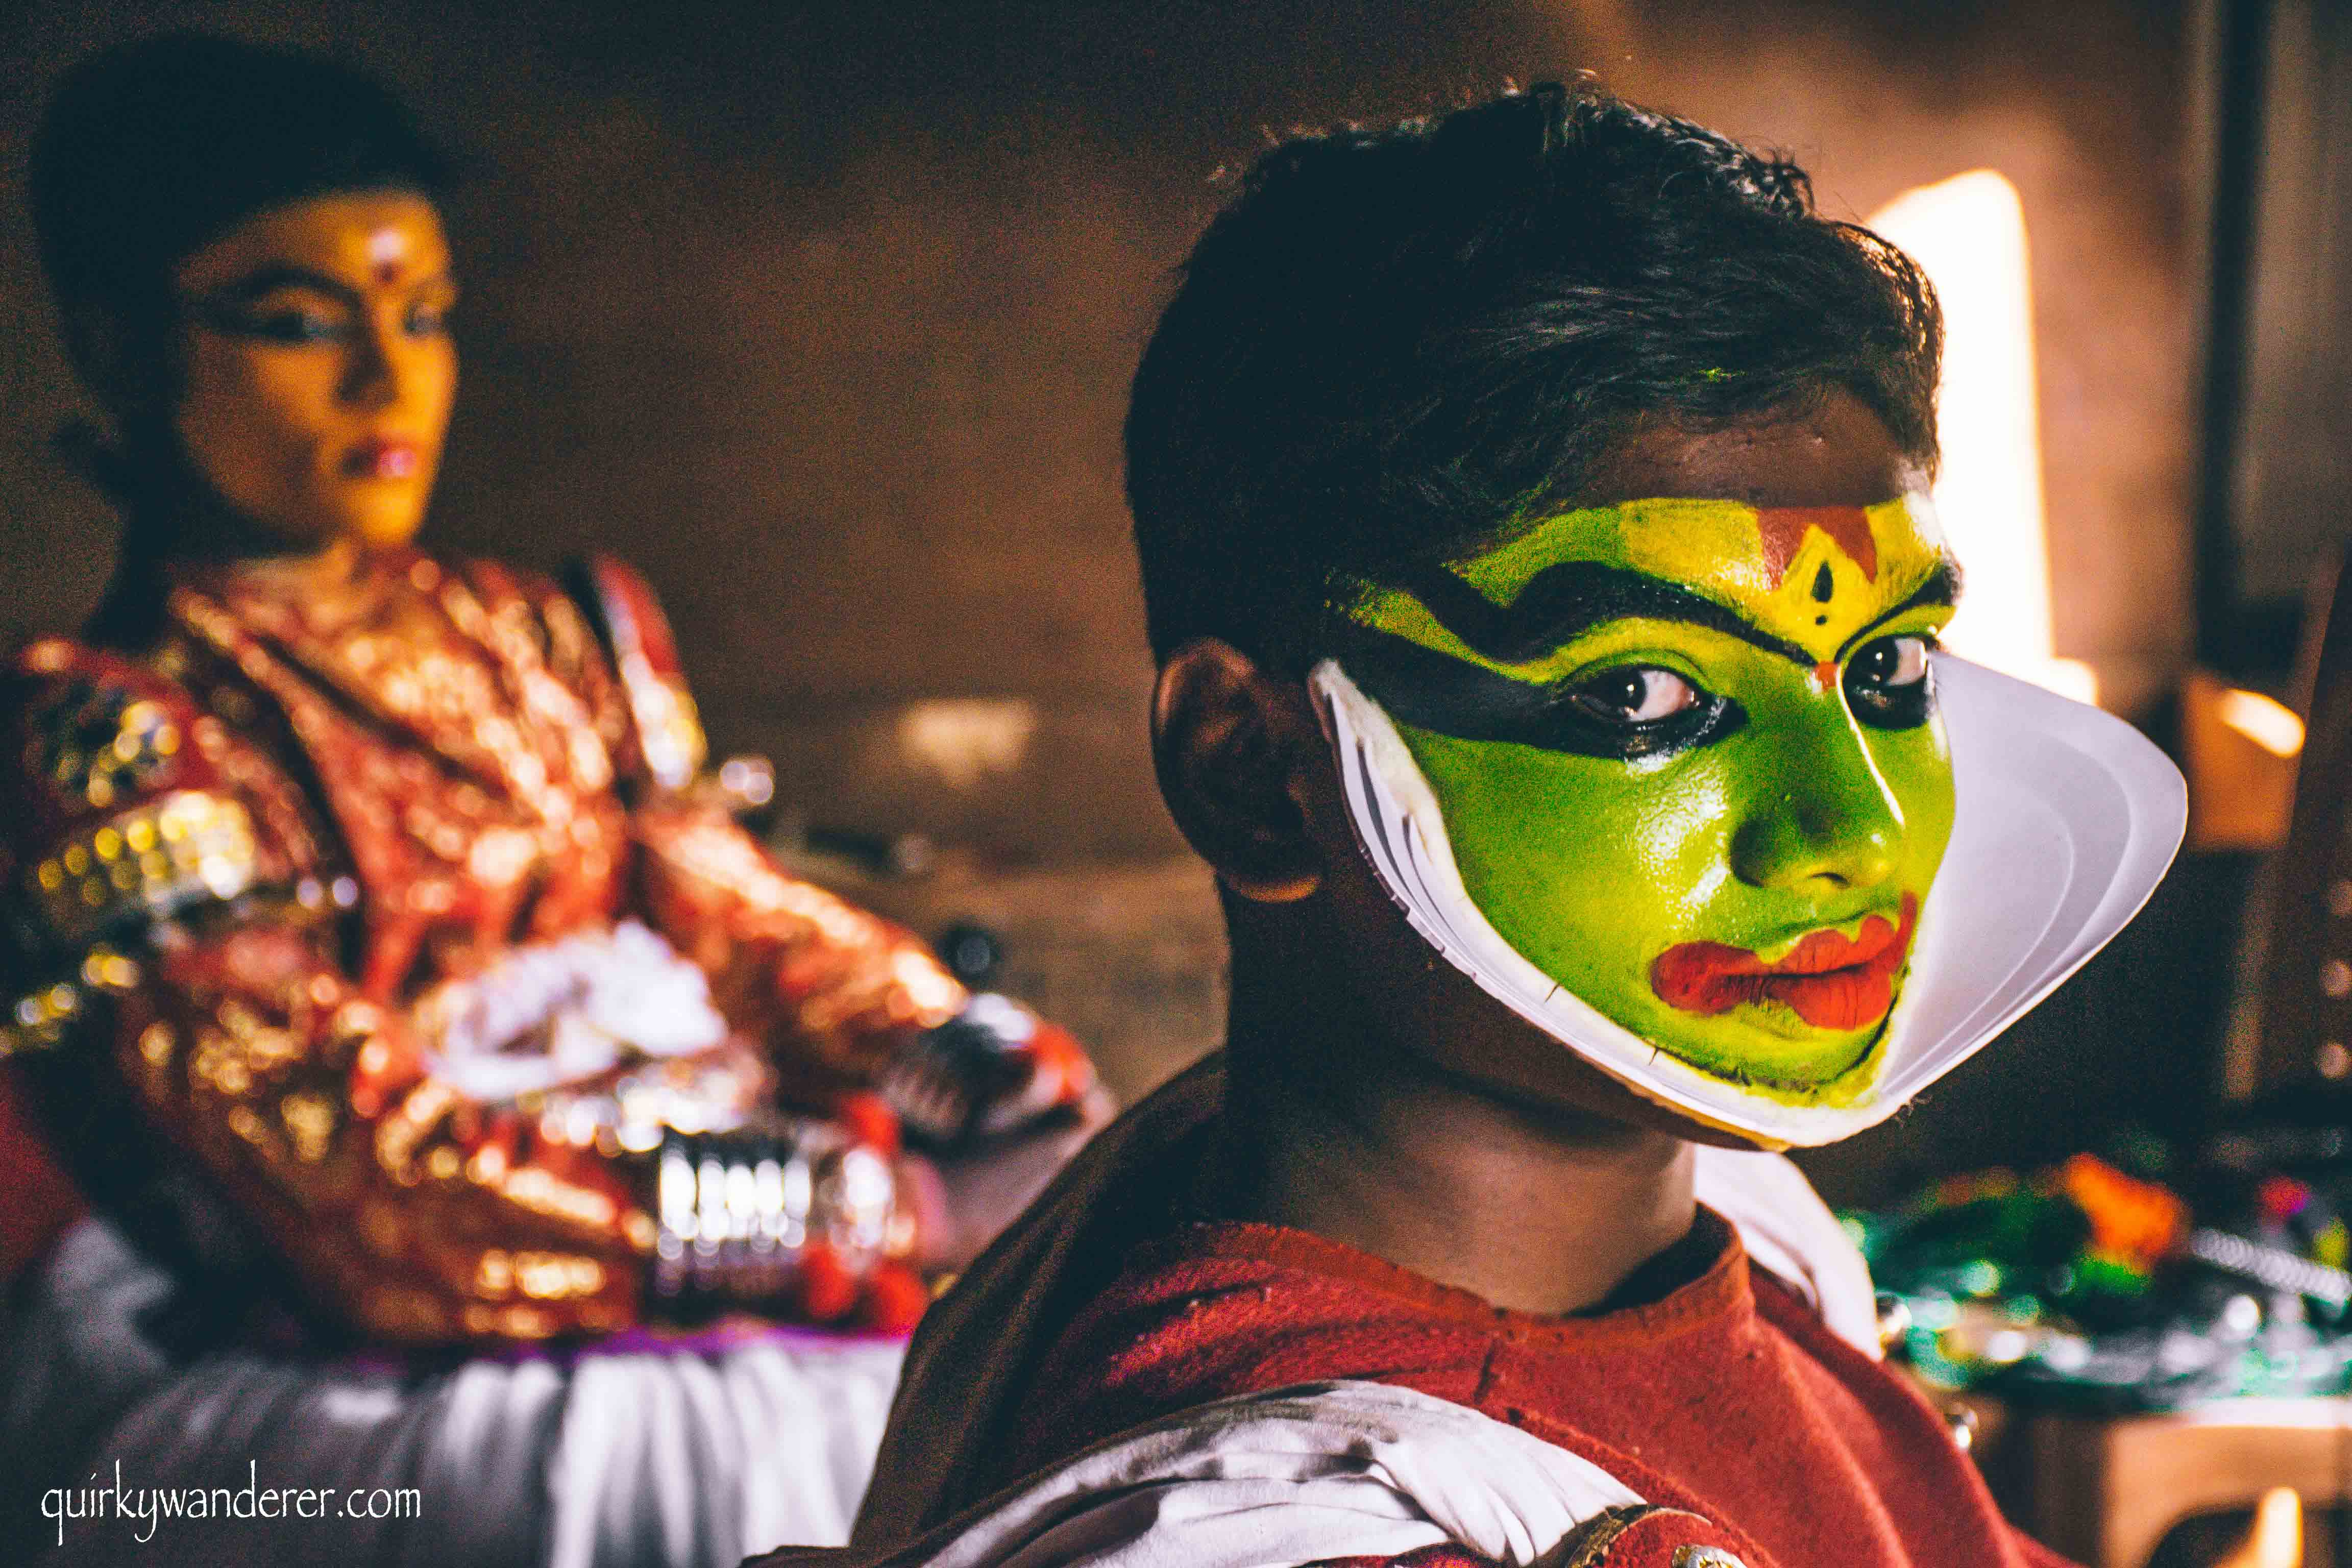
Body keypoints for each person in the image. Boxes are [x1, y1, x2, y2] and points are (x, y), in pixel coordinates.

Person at [766, 84, 2186, 1568]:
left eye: (1889, 672)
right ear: (1254, 768)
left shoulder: (1733, 1227)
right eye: (1644, 695)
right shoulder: (1310, 1528)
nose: (1855, 829)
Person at [0, 34, 1102, 1567]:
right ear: (119, 347)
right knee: (686, 1491)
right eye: (302, 324)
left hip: (713, 1202)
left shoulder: (557, 630)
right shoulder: (113, 731)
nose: (392, 380)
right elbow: (353, 1180)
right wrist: (884, 1202)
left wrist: (951, 1052)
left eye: (427, 316)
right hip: (400, 1328)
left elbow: (729, 908)